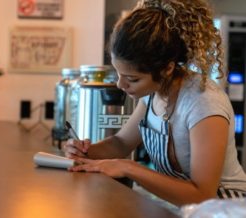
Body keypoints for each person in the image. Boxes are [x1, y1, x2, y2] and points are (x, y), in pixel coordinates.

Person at [63, 0, 246, 206]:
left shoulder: (204, 104)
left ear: (167, 69)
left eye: (132, 79)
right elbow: (121, 143)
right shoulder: (154, 93)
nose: (120, 84)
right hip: (184, 208)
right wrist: (85, 151)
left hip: (226, 208)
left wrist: (129, 168)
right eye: (119, 74)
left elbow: (202, 195)